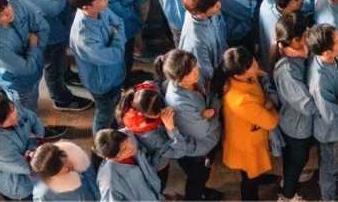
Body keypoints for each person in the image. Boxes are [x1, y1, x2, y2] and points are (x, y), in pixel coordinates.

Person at [157, 49, 222, 201]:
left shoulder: (193, 80)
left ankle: (202, 191)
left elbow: (209, 93)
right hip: (196, 152)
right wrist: (215, 109)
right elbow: (204, 130)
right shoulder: (179, 103)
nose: (196, 71)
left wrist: (206, 115)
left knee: (202, 176)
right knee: (197, 179)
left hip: (205, 144)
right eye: (190, 72)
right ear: (178, 79)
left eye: (195, 66)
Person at [217, 47, 279, 200]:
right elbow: (271, 122)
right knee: (249, 180)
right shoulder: (240, 100)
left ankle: (259, 177)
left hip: (250, 137)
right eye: (250, 66)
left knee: (253, 172)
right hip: (247, 145)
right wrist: (270, 105)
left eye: (253, 61)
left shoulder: (238, 77)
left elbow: (257, 74)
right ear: (238, 74)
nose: (255, 66)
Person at [67, 0, 126, 135]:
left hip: (114, 74)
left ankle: (112, 128)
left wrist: (116, 36)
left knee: (112, 106)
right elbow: (115, 55)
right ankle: (101, 141)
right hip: (102, 83)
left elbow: (119, 23)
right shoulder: (83, 35)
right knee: (104, 114)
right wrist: (118, 37)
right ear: (86, 7)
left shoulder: (100, 9)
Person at [306, 24, 338, 201]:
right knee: (330, 166)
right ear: (327, 52)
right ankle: (328, 197)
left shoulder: (336, 57)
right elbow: (330, 114)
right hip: (330, 131)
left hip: (337, 123)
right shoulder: (319, 81)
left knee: (333, 162)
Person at [272, 13, 316, 200]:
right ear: (296, 40)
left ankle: (289, 182)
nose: (309, 36)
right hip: (297, 127)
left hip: (296, 124)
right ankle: (287, 195)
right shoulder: (287, 71)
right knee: (296, 162)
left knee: (294, 160)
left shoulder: (297, 53)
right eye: (306, 34)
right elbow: (307, 106)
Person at [0, 0, 47, 112]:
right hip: (18, 84)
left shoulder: (16, 3)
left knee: (33, 98)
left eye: (6, 6)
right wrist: (34, 46)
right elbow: (27, 70)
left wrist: (36, 52)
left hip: (35, 70)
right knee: (25, 112)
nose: (7, 13)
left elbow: (43, 27)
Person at [0, 87, 45, 200]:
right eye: (9, 119)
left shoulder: (11, 106)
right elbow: (26, 166)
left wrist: (35, 142)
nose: (16, 118)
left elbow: (34, 120)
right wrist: (34, 142)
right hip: (17, 185)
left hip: (32, 160)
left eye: (14, 111)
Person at [179, 0, 228, 85]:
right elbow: (206, 73)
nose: (219, 5)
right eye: (215, 5)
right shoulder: (196, 41)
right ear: (201, 13)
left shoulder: (204, 12)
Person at [93, 129, 163, 201]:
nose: (131, 147)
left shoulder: (128, 135)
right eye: (124, 149)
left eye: (127, 141)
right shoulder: (110, 184)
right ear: (113, 158)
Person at [30, 140, 100, 201]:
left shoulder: (77, 156)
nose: (69, 165)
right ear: (52, 174)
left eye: (66, 160)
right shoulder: (44, 194)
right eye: (62, 167)